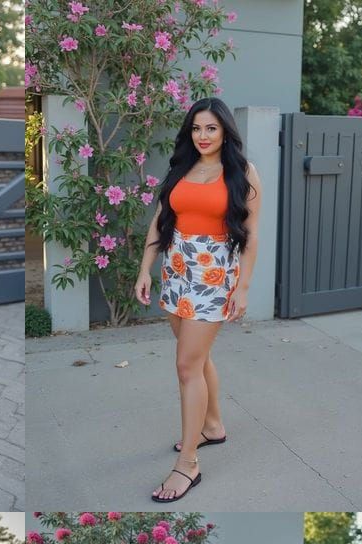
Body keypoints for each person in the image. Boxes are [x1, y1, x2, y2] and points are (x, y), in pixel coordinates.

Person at [134, 98, 262, 503]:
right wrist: (145, 269)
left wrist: (242, 287)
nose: (202, 136)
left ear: (225, 130)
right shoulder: (182, 168)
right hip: (177, 271)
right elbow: (160, 221)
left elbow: (251, 235)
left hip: (213, 277)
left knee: (186, 365)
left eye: (211, 128)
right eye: (196, 128)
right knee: (198, 358)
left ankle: (188, 463)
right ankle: (212, 427)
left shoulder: (242, 172)